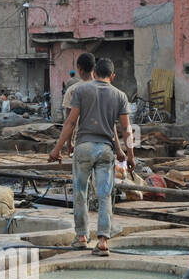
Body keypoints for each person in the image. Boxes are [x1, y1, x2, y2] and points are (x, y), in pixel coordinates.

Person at [47, 57, 134, 256]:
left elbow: (70, 123)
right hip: (105, 150)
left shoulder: (81, 90)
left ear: (94, 73)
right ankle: (103, 240)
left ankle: (81, 237)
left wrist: (57, 149)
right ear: (112, 76)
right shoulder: (120, 96)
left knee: (80, 192)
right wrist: (130, 155)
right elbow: (126, 129)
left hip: (83, 148)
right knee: (104, 195)